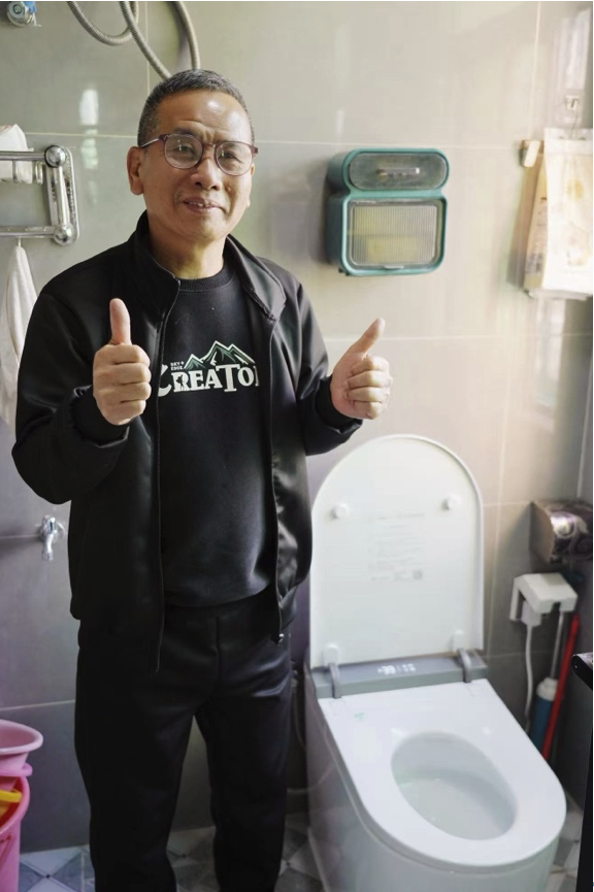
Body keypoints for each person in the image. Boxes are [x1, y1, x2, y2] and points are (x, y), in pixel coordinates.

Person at [12, 69, 392, 892]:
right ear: (137, 167)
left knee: (256, 819)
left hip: (259, 624)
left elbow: (299, 430)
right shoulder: (77, 304)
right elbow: (42, 467)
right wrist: (97, 415)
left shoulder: (279, 297)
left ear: (248, 171)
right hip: (134, 637)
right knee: (130, 837)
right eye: (182, 146)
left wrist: (336, 405)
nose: (208, 172)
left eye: (229, 153)